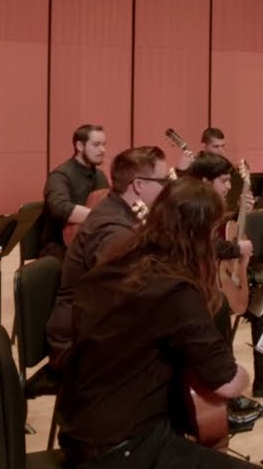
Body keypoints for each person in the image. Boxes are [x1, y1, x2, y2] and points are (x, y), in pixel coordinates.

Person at [55, 177, 257, 468]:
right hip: (125, 447)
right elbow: (226, 382)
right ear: (200, 236)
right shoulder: (174, 290)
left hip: (80, 430)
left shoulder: (114, 265)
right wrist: (243, 374)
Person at [46, 147, 169, 366]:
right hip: (80, 344)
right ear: (139, 185)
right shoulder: (113, 229)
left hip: (98, 326)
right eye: (163, 182)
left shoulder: (121, 210)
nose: (167, 190)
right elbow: (122, 293)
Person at [183, 154, 263, 401]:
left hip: (220, 279)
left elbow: (220, 232)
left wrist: (239, 214)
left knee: (261, 308)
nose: (229, 186)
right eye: (224, 181)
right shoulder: (190, 205)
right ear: (206, 181)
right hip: (199, 286)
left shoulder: (209, 204)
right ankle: (226, 384)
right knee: (219, 312)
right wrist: (237, 250)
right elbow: (204, 244)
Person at [38, 124, 110, 260]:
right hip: (60, 246)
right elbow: (58, 207)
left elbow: (108, 203)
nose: (102, 150)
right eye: (96, 145)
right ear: (80, 146)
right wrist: (99, 217)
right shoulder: (60, 176)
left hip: (90, 240)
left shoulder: (100, 175)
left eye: (104, 144)